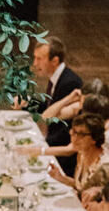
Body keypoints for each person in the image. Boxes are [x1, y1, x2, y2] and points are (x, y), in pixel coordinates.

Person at [31, 37, 82, 174]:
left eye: (39, 59)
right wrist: (28, 102)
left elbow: (64, 129)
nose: (35, 63)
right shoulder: (57, 77)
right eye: (35, 58)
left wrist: (42, 145)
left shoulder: (69, 83)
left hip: (65, 158)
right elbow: (49, 105)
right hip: (54, 143)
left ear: (55, 61)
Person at [46, 112, 109, 196]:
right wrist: (61, 178)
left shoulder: (103, 166)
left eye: (81, 134)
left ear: (94, 139)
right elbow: (80, 186)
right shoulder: (82, 154)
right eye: (74, 132)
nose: (74, 138)